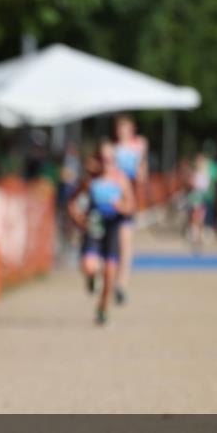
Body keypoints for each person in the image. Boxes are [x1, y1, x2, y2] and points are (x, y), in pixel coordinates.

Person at [68, 141, 136, 325]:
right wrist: (79, 219)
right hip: (94, 226)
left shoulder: (121, 180)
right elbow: (72, 202)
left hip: (113, 227)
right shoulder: (91, 180)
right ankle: (91, 278)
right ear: (98, 160)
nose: (107, 163)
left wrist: (121, 206)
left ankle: (102, 309)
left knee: (109, 275)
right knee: (89, 266)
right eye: (103, 159)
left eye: (110, 159)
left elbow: (131, 206)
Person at [112, 114, 147, 305]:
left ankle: (121, 285)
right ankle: (109, 278)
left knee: (126, 245)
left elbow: (142, 174)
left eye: (125, 127)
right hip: (110, 202)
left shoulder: (138, 146)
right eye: (119, 128)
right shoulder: (112, 150)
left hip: (128, 203)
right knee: (112, 245)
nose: (121, 131)